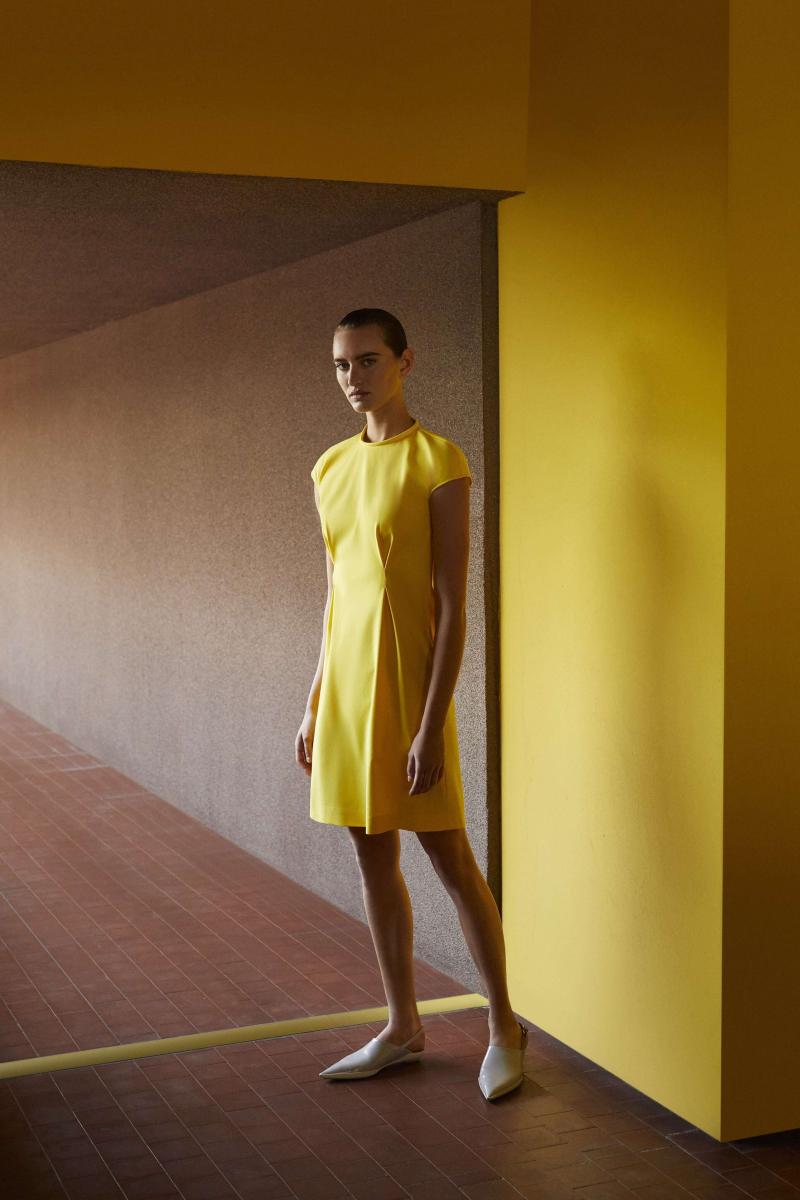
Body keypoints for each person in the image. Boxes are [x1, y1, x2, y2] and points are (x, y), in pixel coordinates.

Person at [296, 307, 526, 1100]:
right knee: (371, 852)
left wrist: (432, 724)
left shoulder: (439, 460)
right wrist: (314, 700)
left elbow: (453, 605)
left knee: (450, 856)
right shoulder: (329, 466)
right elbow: (336, 594)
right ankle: (402, 1026)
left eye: (367, 360)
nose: (352, 377)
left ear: (404, 362)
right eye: (341, 364)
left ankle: (505, 1026)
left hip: (410, 684)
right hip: (347, 686)